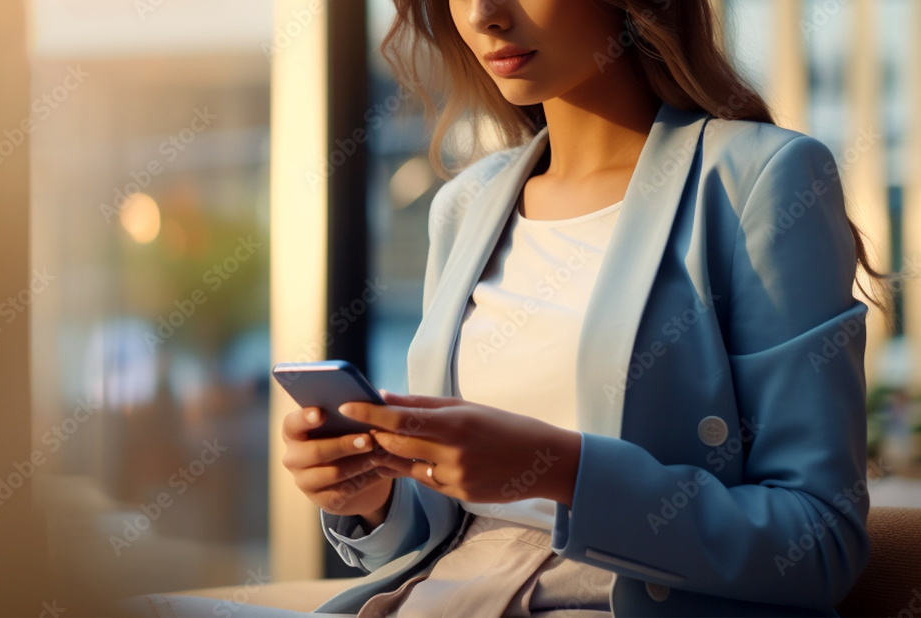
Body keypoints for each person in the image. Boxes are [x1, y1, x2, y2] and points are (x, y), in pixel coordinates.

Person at [120, 0, 893, 616]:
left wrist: (560, 467)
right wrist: (373, 494)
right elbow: (444, 531)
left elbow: (817, 544)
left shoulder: (764, 178)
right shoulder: (468, 204)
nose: (484, 12)